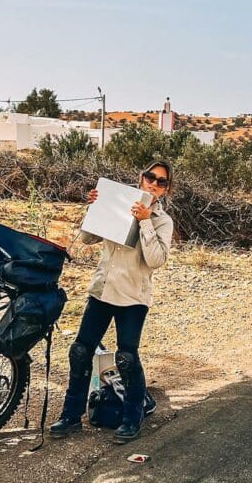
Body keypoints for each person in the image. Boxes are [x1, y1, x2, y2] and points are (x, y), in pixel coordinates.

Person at [50, 161, 174, 444]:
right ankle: (71, 417)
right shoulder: (118, 202)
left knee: (127, 358)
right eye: (150, 177)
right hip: (102, 290)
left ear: (166, 190)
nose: (154, 184)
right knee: (80, 351)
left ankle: (132, 419)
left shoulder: (162, 221)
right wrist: (95, 208)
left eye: (161, 182)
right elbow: (87, 237)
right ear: (141, 178)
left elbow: (155, 260)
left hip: (133, 296)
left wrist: (144, 221)